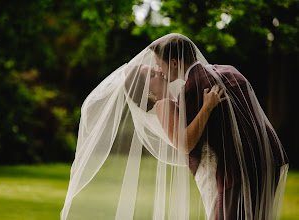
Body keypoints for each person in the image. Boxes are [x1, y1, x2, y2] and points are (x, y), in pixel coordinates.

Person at [61, 33, 288, 220]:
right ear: (147, 92)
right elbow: (184, 144)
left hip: (231, 167)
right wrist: (207, 108)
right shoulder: (163, 105)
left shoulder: (184, 95)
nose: (157, 70)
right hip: (226, 169)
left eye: (156, 67)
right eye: (151, 73)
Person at [149, 33, 289, 219]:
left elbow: (188, 145)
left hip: (236, 170)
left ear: (174, 63)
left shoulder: (192, 90)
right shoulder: (230, 71)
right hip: (269, 157)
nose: (160, 70)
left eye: (160, 65)